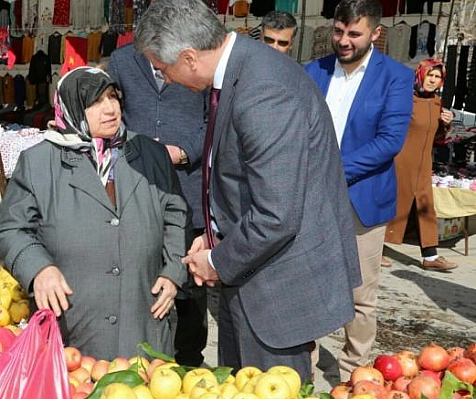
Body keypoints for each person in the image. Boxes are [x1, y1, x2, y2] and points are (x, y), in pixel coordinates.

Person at [135, 0, 361, 380]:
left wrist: (216, 262)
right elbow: (240, 180)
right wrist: (214, 236)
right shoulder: (240, 72)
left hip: (278, 291)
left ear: (188, 57)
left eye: (163, 70)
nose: (167, 81)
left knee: (263, 384)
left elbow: (277, 214)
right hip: (252, 270)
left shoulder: (263, 89)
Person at [0, 66, 189, 361]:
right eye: (94, 102)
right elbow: (10, 230)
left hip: (143, 316)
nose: (109, 109)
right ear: (71, 107)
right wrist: (38, 269)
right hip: (75, 323)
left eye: (112, 97)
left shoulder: (149, 154)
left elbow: (176, 212)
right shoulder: (39, 162)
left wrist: (174, 271)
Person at [304, 0, 413, 381]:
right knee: (308, 283)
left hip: (361, 197)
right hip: (309, 197)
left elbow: (389, 141)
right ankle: (305, 364)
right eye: (338, 31)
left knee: (360, 294)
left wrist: (331, 169)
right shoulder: (311, 71)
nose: (344, 40)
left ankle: (354, 371)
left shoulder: (396, 77)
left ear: (376, 34)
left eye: (354, 33)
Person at [106, 44, 209, 367]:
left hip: (188, 181)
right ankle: (143, 354)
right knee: (143, 267)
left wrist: (182, 151)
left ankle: (190, 358)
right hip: (137, 183)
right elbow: (109, 110)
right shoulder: (123, 60)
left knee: (191, 277)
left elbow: (214, 119)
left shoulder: (198, 58)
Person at [384, 60, 458, 271]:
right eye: (430, 75)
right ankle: (376, 249)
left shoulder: (437, 103)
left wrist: (446, 123)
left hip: (424, 164)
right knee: (397, 204)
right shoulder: (406, 99)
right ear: (421, 75)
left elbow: (438, 138)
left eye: (437, 77)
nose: (432, 81)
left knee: (426, 207)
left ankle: (431, 256)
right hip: (402, 161)